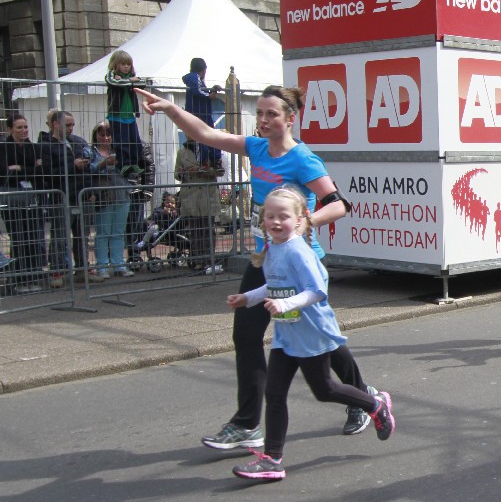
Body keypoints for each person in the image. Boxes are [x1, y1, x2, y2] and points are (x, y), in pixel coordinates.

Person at [135, 83, 374, 447]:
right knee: (246, 336)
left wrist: (304, 223)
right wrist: (171, 109)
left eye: (271, 114)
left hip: (298, 263)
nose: (263, 120)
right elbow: (206, 134)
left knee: (319, 338)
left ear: (290, 119)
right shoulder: (256, 148)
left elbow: (339, 204)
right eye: (260, 113)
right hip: (264, 259)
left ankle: (362, 397)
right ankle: (247, 424)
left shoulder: (303, 159)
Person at [227, 186, 394, 481]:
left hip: (312, 333)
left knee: (325, 390)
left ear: (300, 219)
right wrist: (248, 298)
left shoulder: (298, 251)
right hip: (286, 335)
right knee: (274, 393)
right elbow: (274, 285)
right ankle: (272, 460)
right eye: (270, 216)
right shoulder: (273, 249)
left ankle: (375, 405)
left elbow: (317, 290)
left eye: (283, 216)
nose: (276, 222)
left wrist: (284, 304)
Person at [38, 110, 92, 288]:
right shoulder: (46, 146)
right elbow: (47, 173)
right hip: (61, 196)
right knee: (60, 237)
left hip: (80, 195)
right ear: (55, 124)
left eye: (72, 125)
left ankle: (83, 270)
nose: (71, 128)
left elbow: (87, 168)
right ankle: (57, 272)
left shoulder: (76, 142)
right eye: (67, 125)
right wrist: (72, 165)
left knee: (82, 236)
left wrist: (89, 190)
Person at [1, 116, 46, 293]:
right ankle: (19, 279)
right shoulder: (4, 147)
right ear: (10, 129)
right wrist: (31, 169)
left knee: (32, 237)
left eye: (26, 127)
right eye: (19, 127)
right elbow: (5, 172)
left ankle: (32, 277)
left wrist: (19, 168)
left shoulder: (33, 147)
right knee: (18, 238)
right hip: (12, 199)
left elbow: (41, 170)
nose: (24, 130)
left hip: (30, 197)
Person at [88, 121, 134, 280]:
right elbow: (89, 170)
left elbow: (131, 169)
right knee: (103, 233)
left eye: (109, 135)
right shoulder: (91, 152)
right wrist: (103, 163)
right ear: (96, 136)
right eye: (102, 134)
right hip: (103, 196)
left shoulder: (119, 150)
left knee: (118, 232)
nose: (106, 138)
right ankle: (102, 266)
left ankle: (119, 264)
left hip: (122, 194)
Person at [175, 139, 224, 273]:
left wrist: (202, 170)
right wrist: (184, 172)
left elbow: (220, 171)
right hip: (190, 196)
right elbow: (177, 174)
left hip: (208, 195)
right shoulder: (182, 152)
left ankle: (208, 261)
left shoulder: (211, 149)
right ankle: (197, 261)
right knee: (195, 230)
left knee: (207, 229)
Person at [104, 50, 152, 178]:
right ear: (115, 64)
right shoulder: (111, 75)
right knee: (122, 142)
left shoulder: (131, 76)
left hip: (130, 116)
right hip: (117, 116)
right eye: (123, 64)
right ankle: (124, 164)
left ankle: (134, 163)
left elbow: (142, 83)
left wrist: (128, 80)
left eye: (128, 64)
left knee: (135, 142)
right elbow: (114, 83)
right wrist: (130, 80)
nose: (126, 67)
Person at [182, 57, 224, 168]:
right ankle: (205, 162)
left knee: (208, 136)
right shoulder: (194, 77)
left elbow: (200, 92)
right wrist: (209, 96)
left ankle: (213, 160)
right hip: (198, 114)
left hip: (203, 113)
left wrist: (213, 90)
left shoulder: (197, 79)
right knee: (203, 137)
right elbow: (197, 91)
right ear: (203, 69)